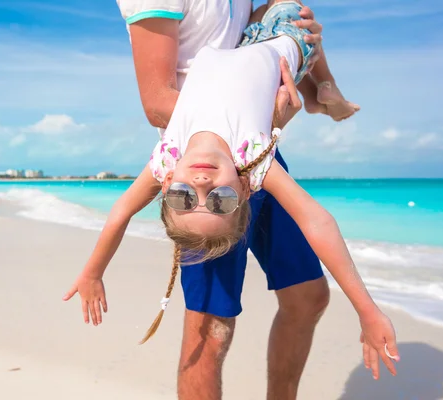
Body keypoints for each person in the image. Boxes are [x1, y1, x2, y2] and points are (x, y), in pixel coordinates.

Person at [65, 3, 395, 398]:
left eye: (184, 197)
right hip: (282, 47)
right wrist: (367, 309)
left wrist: (93, 272)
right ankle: (323, 91)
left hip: (249, 45)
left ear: (168, 180)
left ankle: (322, 93)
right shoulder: (251, 156)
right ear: (244, 188)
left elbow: (121, 211)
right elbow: (318, 221)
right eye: (219, 199)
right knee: (212, 329)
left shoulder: (170, 159)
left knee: (309, 296)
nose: (202, 183)